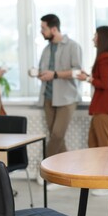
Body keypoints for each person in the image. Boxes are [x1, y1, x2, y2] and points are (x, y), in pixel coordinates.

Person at [37, 14, 82, 158]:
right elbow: (44, 70)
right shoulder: (46, 50)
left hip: (67, 98)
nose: (41, 31)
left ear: (54, 29)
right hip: (48, 98)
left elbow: (77, 72)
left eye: (43, 28)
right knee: (57, 137)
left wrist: (55, 74)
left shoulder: (73, 46)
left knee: (57, 135)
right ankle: (67, 173)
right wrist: (40, 74)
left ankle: (43, 168)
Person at [78, 26, 108, 148]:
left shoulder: (105, 58)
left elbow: (105, 83)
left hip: (104, 108)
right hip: (102, 109)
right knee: (94, 145)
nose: (93, 39)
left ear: (102, 39)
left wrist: (87, 78)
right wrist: (88, 76)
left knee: (104, 147)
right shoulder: (107, 57)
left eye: (95, 36)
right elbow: (103, 79)